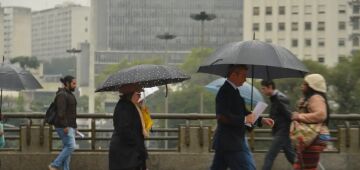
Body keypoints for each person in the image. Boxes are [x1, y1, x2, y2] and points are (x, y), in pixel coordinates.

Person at [210, 64, 273, 170]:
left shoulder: (234, 91)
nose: (245, 79)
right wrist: (244, 119)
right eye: (243, 76)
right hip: (231, 142)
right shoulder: (225, 91)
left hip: (228, 141)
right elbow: (222, 116)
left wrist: (261, 120)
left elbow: (244, 112)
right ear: (234, 75)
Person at [292, 74, 330, 170]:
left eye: (305, 84)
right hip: (309, 138)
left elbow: (321, 115)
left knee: (305, 167)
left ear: (311, 86)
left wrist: (299, 116)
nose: (302, 86)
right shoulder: (310, 98)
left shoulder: (315, 98)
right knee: (303, 166)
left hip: (312, 139)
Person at [109, 83, 148, 170]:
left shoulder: (131, 106)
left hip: (129, 153)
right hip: (126, 154)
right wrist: (138, 146)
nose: (139, 97)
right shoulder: (124, 108)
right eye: (138, 94)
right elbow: (125, 130)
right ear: (131, 94)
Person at [260, 80, 295, 170]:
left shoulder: (279, 98)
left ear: (270, 87)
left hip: (282, 132)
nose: (262, 91)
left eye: (263, 89)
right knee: (291, 157)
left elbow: (289, 115)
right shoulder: (275, 98)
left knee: (269, 156)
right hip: (281, 132)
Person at [49, 75, 78, 170]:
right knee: (71, 146)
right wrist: (65, 126)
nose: (75, 85)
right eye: (73, 83)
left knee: (67, 148)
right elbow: (61, 112)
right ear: (67, 83)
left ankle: (66, 168)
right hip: (63, 126)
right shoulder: (62, 95)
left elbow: (71, 113)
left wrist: (75, 127)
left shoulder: (69, 94)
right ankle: (54, 164)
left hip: (70, 126)